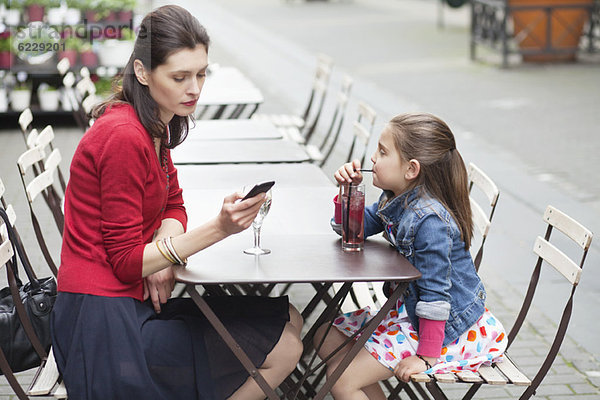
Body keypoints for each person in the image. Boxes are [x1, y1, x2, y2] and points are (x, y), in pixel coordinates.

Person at [51, 5, 303, 400]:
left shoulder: (153, 123)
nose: (195, 88)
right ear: (142, 72)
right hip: (104, 330)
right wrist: (217, 229)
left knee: (289, 317)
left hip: (128, 306)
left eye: (201, 74)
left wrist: (161, 254)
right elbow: (126, 262)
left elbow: (174, 204)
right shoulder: (124, 136)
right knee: (286, 347)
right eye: (180, 76)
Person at [315, 113, 507, 399]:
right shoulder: (396, 198)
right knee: (325, 337)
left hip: (449, 331)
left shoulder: (429, 221)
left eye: (382, 152)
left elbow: (436, 297)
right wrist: (348, 192)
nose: (372, 159)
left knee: (341, 380)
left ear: (411, 169)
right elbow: (351, 230)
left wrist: (426, 358)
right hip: (409, 312)